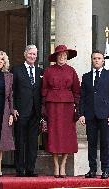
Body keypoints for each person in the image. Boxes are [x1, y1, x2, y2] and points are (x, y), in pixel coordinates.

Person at [42, 44, 80, 178]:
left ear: (67, 57)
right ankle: (55, 165)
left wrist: (77, 108)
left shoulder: (72, 71)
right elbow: (44, 90)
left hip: (68, 107)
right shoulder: (48, 71)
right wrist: (43, 107)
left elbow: (76, 91)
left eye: (65, 55)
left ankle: (63, 164)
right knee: (53, 135)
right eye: (60, 55)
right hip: (52, 105)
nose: (62, 57)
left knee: (67, 136)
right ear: (56, 57)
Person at [79, 50, 109, 179]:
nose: (96, 60)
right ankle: (92, 169)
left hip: (105, 115)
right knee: (91, 143)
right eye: (94, 58)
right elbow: (82, 97)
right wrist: (82, 114)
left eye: (99, 58)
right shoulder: (86, 77)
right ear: (92, 60)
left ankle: (106, 169)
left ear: (103, 61)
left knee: (105, 143)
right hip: (90, 115)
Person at [12, 45, 43, 177]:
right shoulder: (16, 70)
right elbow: (11, 91)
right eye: (30, 54)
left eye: (34, 54)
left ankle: (30, 169)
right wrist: (13, 108)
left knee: (32, 142)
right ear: (25, 54)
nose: (32, 56)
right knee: (20, 140)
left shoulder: (41, 71)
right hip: (20, 110)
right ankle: (20, 169)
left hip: (35, 111)